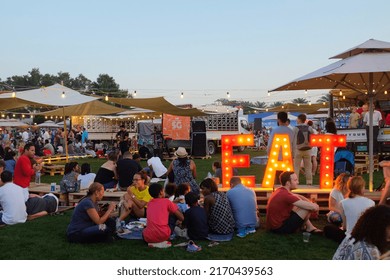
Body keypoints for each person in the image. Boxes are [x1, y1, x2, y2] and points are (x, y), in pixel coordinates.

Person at [325, 176, 375, 244]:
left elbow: (345, 226)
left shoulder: (343, 203)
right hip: (365, 236)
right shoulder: (371, 203)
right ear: (361, 188)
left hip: (350, 237)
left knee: (327, 228)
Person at [267, 112, 294, 184]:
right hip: (288, 157)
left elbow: (270, 145)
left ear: (278, 119)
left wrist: (268, 154)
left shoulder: (275, 130)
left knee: (277, 177)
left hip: (276, 157)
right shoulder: (291, 131)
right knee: (287, 178)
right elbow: (294, 145)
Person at [292, 114, 315, 185]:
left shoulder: (295, 128)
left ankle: (296, 181)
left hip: (298, 149)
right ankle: (309, 182)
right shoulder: (309, 128)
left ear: (299, 119)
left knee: (296, 167)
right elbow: (313, 138)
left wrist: (292, 152)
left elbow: (293, 140)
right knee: (308, 166)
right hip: (308, 149)